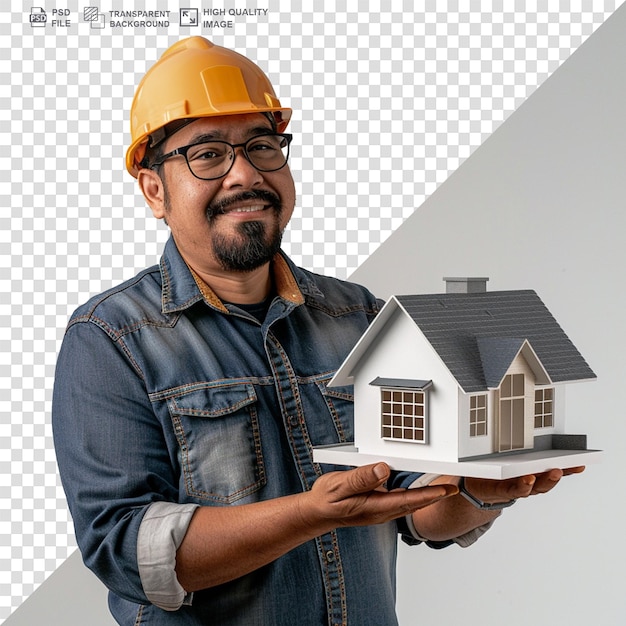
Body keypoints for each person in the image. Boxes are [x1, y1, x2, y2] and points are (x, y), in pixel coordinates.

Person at [52, 37, 583, 626]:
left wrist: (479, 490)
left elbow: (413, 505)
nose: (245, 174)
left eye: (261, 145)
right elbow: (128, 553)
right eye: (206, 154)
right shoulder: (111, 339)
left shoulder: (358, 316)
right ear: (155, 189)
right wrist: (312, 512)